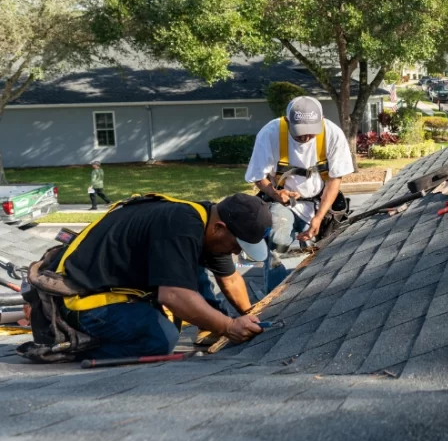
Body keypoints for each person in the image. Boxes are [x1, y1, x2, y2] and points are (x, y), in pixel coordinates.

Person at [40, 193, 271, 359]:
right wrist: (229, 326)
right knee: (159, 339)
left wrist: (250, 316)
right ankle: (70, 345)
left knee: (192, 272)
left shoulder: (205, 222)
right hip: (77, 302)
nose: (237, 252)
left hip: (104, 289)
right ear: (219, 228)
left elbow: (229, 278)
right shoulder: (180, 226)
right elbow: (173, 295)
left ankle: (211, 324)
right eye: (237, 244)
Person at [245, 96, 353, 293]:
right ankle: (275, 295)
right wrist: (275, 193)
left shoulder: (332, 134)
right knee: (278, 242)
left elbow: (335, 179)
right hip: (283, 202)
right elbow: (257, 177)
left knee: (323, 248)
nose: (305, 138)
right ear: (287, 121)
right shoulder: (270, 134)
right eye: (299, 134)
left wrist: (319, 217)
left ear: (321, 120)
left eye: (310, 133)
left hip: (318, 201)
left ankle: (316, 292)